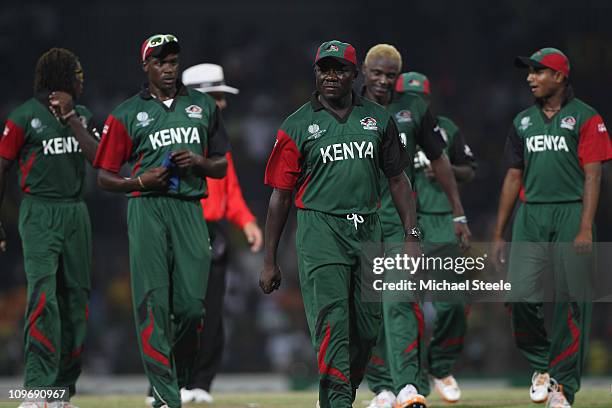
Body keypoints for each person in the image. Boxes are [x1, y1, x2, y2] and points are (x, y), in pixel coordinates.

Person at [259, 40, 422, 408]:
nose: (330, 76)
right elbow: (280, 196)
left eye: (339, 69)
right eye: (324, 69)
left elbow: (398, 180)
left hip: (368, 230)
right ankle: (336, 402)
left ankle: (339, 396)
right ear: (315, 74)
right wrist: (270, 259)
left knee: (366, 330)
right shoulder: (296, 125)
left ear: (354, 75)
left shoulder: (378, 120)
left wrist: (412, 235)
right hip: (320, 232)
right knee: (333, 325)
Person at [93, 34, 229, 408]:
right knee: (153, 302)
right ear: (146, 67)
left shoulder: (203, 106)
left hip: (189, 209)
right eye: (160, 62)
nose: (168, 69)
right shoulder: (125, 114)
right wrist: (139, 181)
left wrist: (199, 163)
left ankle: (180, 377)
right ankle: (166, 395)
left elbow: (220, 163)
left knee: (191, 307)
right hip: (146, 208)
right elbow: (103, 175)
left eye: (172, 61)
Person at [492, 47, 612, 408]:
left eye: (538, 71)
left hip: (570, 213)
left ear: (559, 77)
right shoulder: (522, 122)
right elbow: (513, 178)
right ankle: (543, 365)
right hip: (530, 215)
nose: (530, 77)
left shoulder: (587, 118)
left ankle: (562, 389)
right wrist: (499, 233)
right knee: (519, 296)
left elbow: (593, 176)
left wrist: (586, 227)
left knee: (572, 303)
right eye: (529, 72)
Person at [359, 45, 470, 408]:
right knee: (367, 309)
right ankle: (381, 388)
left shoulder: (414, 108)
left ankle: (409, 383)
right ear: (364, 70)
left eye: (390, 75)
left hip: (400, 221)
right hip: (357, 221)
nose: (382, 80)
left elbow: (440, 160)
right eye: (377, 73)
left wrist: (457, 212)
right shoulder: (345, 105)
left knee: (401, 301)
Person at [0, 47, 100, 408]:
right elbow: (2, 168)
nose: (82, 80)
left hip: (76, 214)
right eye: (78, 74)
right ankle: (37, 389)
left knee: (75, 302)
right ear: (62, 77)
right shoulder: (23, 117)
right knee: (43, 298)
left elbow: (100, 160)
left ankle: (61, 392)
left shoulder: (84, 116)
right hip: (39, 212)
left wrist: (72, 118)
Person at [179, 63, 263, 404]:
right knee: (180, 310)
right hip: (182, 228)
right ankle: (170, 380)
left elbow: (230, 191)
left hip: (213, 232)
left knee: (212, 312)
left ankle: (200, 384)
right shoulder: (174, 135)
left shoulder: (218, 138)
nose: (223, 105)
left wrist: (246, 222)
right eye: (217, 97)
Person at [400, 71, 476, 403]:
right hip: (403, 223)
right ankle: (412, 378)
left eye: (421, 98)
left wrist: (446, 171)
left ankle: (440, 366)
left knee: (454, 304)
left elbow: (469, 170)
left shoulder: (445, 128)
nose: (415, 103)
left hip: (443, 221)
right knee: (405, 305)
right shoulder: (387, 124)